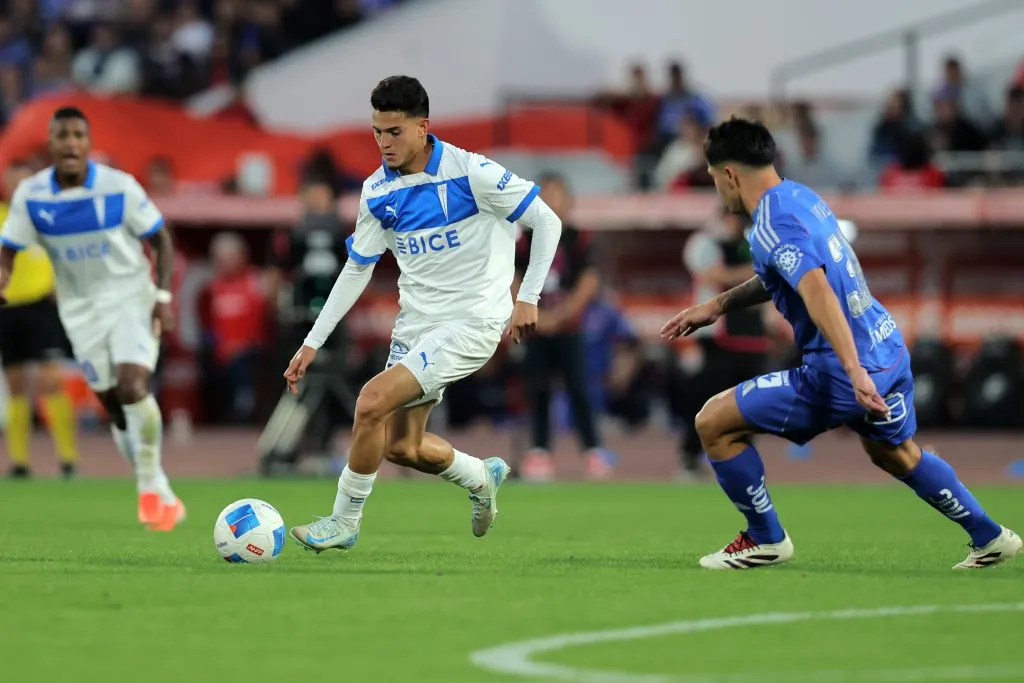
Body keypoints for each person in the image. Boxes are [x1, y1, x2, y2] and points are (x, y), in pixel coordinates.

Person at [661, 117, 1021, 571]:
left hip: (838, 368)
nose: (716, 189)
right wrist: (718, 305)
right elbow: (784, 274)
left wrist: (852, 371)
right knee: (896, 451)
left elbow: (816, 291)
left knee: (713, 422)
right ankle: (990, 536)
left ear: (729, 174)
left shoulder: (770, 221)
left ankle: (764, 538)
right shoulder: (801, 198)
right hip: (886, 347)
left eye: (714, 178)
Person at [284, 75, 561, 552]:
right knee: (400, 447)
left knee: (370, 402)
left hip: (472, 321)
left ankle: (344, 522)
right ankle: (481, 476)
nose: (384, 143)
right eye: (376, 131)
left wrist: (527, 296)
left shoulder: (470, 173)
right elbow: (356, 270)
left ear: (421, 127)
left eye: (394, 131)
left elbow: (546, 220)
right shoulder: (377, 192)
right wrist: (312, 342)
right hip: (416, 325)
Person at [0, 106, 185, 531]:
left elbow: (160, 237)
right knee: (115, 408)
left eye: (77, 135)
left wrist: (161, 296)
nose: (69, 143)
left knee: (132, 384)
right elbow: (9, 244)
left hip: (129, 297)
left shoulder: (118, 187)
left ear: (87, 143)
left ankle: (152, 480)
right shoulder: (32, 195)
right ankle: (146, 475)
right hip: (79, 311)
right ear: (51, 143)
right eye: (61, 135)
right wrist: (4, 274)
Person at [514, 172, 612, 481]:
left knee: (579, 388)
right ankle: (539, 451)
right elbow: (513, 277)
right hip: (536, 326)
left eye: (558, 195)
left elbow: (590, 278)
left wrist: (565, 313)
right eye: (547, 196)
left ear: (568, 202)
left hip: (570, 326)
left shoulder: (579, 237)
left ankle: (593, 451)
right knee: (538, 388)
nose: (553, 202)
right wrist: (536, 315)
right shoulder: (525, 239)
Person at [673, 206, 770, 478]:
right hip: (718, 336)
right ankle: (690, 456)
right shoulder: (705, 242)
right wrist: (755, 275)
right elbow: (713, 275)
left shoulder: (753, 243)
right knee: (706, 399)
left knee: (749, 404)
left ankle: (740, 461)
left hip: (752, 336)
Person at [0, 160, 80, 478]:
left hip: (41, 307)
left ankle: (68, 459)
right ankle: (19, 462)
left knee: (50, 381)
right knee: (16, 385)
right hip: (7, 309)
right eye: (12, 182)